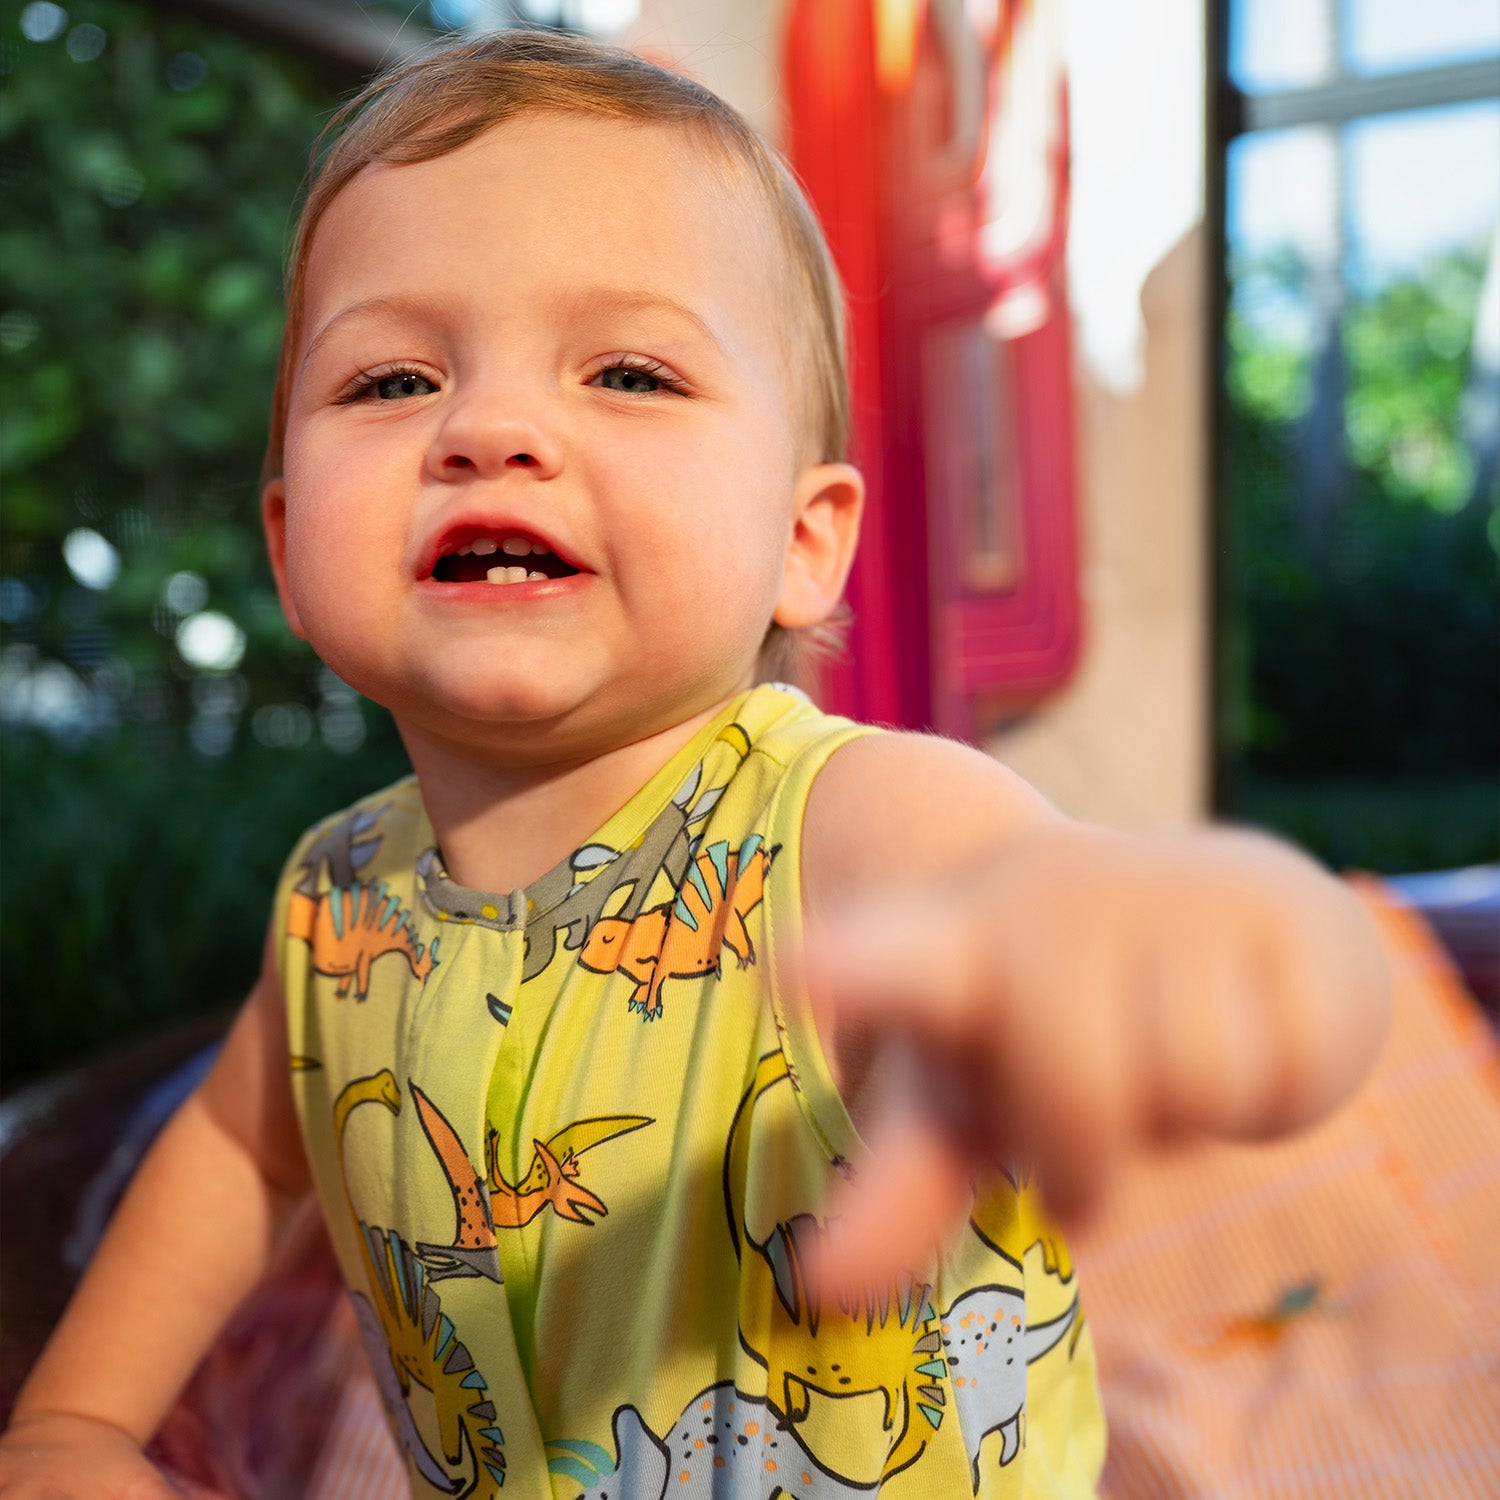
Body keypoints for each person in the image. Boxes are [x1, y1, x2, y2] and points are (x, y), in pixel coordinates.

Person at [0, 30, 1389, 1500]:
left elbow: (1050, 903)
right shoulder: (338, 906)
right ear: (287, 547)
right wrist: (77, 1420)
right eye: (395, 378)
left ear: (803, 539)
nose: (489, 429)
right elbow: (240, 1146)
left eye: (627, 370)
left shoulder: (842, 826)